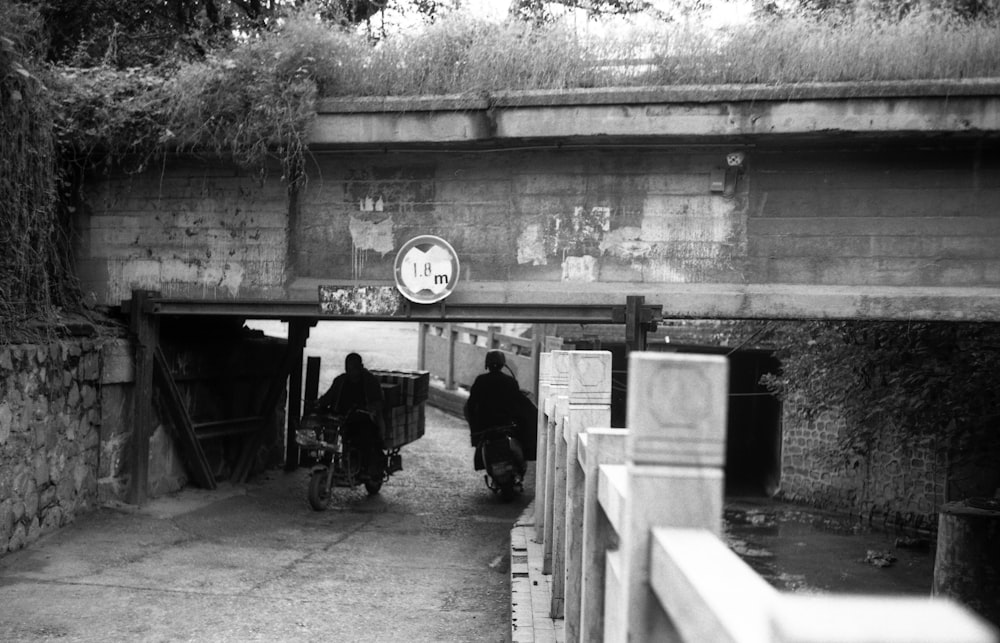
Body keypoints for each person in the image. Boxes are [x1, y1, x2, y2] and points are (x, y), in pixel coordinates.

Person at [315, 352, 385, 477]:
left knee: (364, 435)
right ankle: (327, 458)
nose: (350, 371)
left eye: (353, 368)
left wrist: (369, 408)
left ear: (361, 366)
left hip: (362, 417)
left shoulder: (370, 381)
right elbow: (329, 397)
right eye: (348, 368)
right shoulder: (340, 381)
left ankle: (364, 467)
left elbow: (378, 402)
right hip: (341, 417)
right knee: (327, 431)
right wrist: (319, 404)